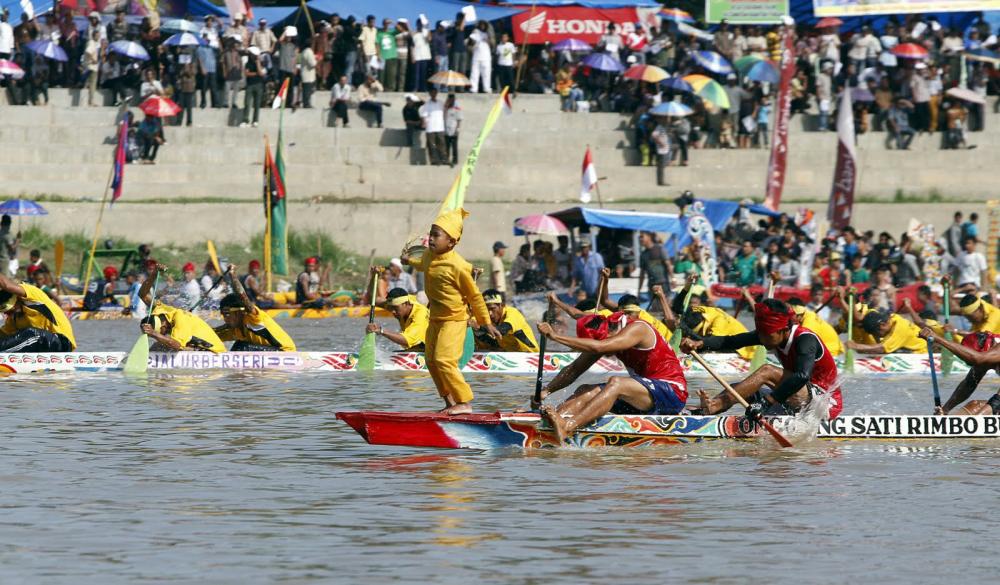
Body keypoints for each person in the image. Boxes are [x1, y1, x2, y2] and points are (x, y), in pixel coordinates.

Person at [401, 208, 500, 414]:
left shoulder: (459, 266)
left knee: (444, 360)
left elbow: (474, 296)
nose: (431, 239)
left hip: (454, 321)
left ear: (452, 242)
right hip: (435, 318)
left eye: (436, 235)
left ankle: (464, 402)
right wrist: (408, 261)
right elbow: (422, 264)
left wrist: (485, 322)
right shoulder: (429, 255)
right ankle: (449, 402)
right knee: (430, 361)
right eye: (431, 233)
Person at [535, 311, 688, 444]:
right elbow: (574, 369)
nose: (604, 354)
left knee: (617, 383)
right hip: (646, 397)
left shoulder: (638, 328)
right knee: (587, 390)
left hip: (673, 394)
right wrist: (546, 391)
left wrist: (554, 336)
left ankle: (568, 426)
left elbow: (598, 347)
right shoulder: (605, 338)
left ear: (607, 335)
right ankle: (553, 421)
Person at [682, 299, 842, 420]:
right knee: (740, 389)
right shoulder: (770, 334)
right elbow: (731, 341)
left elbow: (802, 376)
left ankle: (713, 408)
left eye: (767, 335)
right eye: (761, 334)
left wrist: (766, 403)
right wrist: (699, 344)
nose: (762, 340)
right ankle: (709, 410)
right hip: (797, 397)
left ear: (784, 330)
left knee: (767, 371)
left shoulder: (805, 340)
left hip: (826, 403)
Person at [137, 265, 226, 353]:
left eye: (162, 332)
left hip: (215, 353)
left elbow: (176, 345)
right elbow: (142, 294)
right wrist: (155, 273)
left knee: (171, 346)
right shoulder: (162, 310)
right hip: (200, 347)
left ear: (163, 325)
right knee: (159, 345)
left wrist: (154, 333)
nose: (163, 334)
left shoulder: (179, 319)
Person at [919, 327, 1000, 415]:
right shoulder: (985, 356)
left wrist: (937, 338)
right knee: (974, 405)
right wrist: (945, 410)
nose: (977, 367)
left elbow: (978, 358)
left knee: (981, 411)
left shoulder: (983, 357)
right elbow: (968, 385)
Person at [214, 267, 295, 351]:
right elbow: (211, 336)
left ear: (239, 312)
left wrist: (233, 275)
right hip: (269, 353)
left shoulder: (252, 317)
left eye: (227, 314)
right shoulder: (234, 330)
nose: (225, 318)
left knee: (241, 347)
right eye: (223, 315)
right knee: (240, 346)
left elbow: (243, 297)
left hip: (284, 352)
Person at [0, 273, 76, 352]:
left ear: (18, 299)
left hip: (61, 344)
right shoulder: (14, 320)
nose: (8, 314)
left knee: (32, 333)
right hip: (42, 348)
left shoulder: (34, 296)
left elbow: (7, 286)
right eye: (6, 312)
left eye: (10, 311)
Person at [681, 304, 759, 361]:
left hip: (743, 350)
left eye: (700, 331)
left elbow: (712, 343)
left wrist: (690, 333)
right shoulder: (700, 310)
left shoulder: (719, 321)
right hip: (726, 340)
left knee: (706, 349)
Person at [848, 310, 925, 354]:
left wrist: (856, 346)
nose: (877, 336)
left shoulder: (899, 330)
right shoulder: (893, 317)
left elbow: (881, 348)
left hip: (921, 355)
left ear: (882, 325)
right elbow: (859, 317)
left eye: (875, 333)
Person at [420, 88, 446, 165]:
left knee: (441, 143)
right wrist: (424, 123)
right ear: (430, 94)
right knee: (432, 145)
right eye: (432, 93)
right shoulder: (427, 104)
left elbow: (445, 109)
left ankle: (443, 159)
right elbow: (424, 115)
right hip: (430, 127)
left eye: (435, 92)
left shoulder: (440, 103)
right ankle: (434, 160)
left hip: (440, 126)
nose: (434, 94)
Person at [241, 46, 264, 127]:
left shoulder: (260, 62)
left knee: (257, 104)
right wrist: (256, 74)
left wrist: (257, 62)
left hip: (259, 84)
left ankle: (255, 120)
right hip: (250, 85)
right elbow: (246, 73)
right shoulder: (248, 63)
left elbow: (261, 73)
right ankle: (245, 120)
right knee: (247, 103)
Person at [444, 93, 462, 166]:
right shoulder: (445, 108)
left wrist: (457, 129)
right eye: (449, 99)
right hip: (446, 130)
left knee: (454, 147)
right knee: (447, 146)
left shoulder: (457, 108)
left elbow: (459, 119)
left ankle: (455, 160)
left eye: (452, 99)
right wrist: (446, 107)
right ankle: (446, 160)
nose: (451, 101)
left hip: (454, 129)